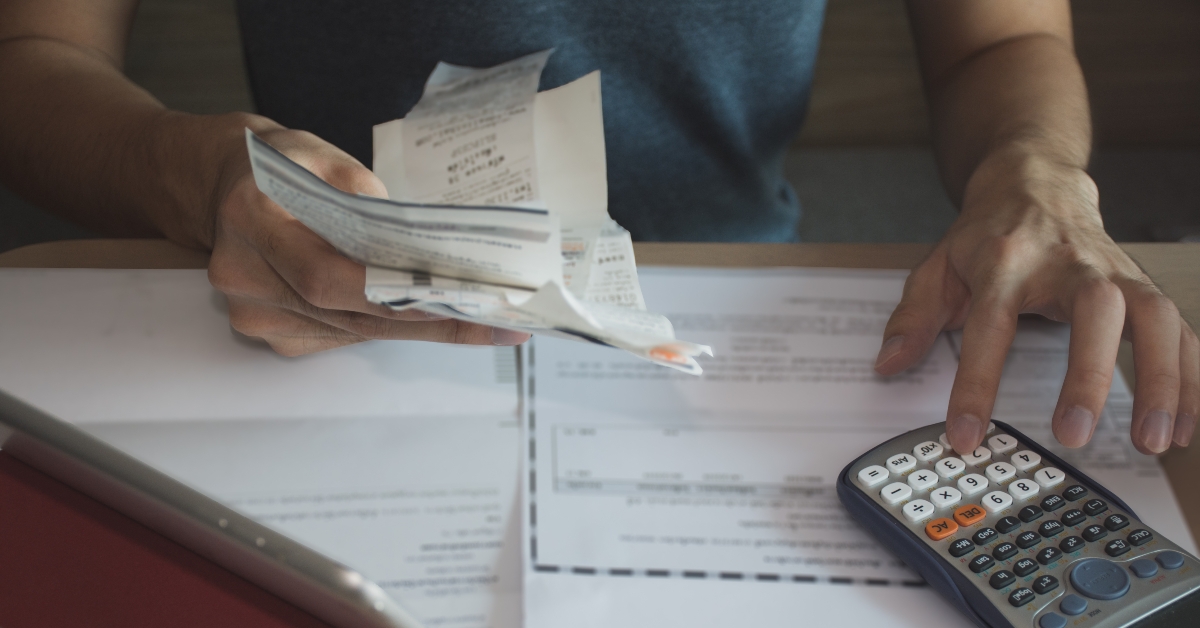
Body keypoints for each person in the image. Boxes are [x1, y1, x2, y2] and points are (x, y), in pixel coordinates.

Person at [0, 0, 1195, 457]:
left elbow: (1000, 41)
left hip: (736, 330)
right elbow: (35, 59)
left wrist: (1037, 174)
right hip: (307, 316)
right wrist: (199, 172)